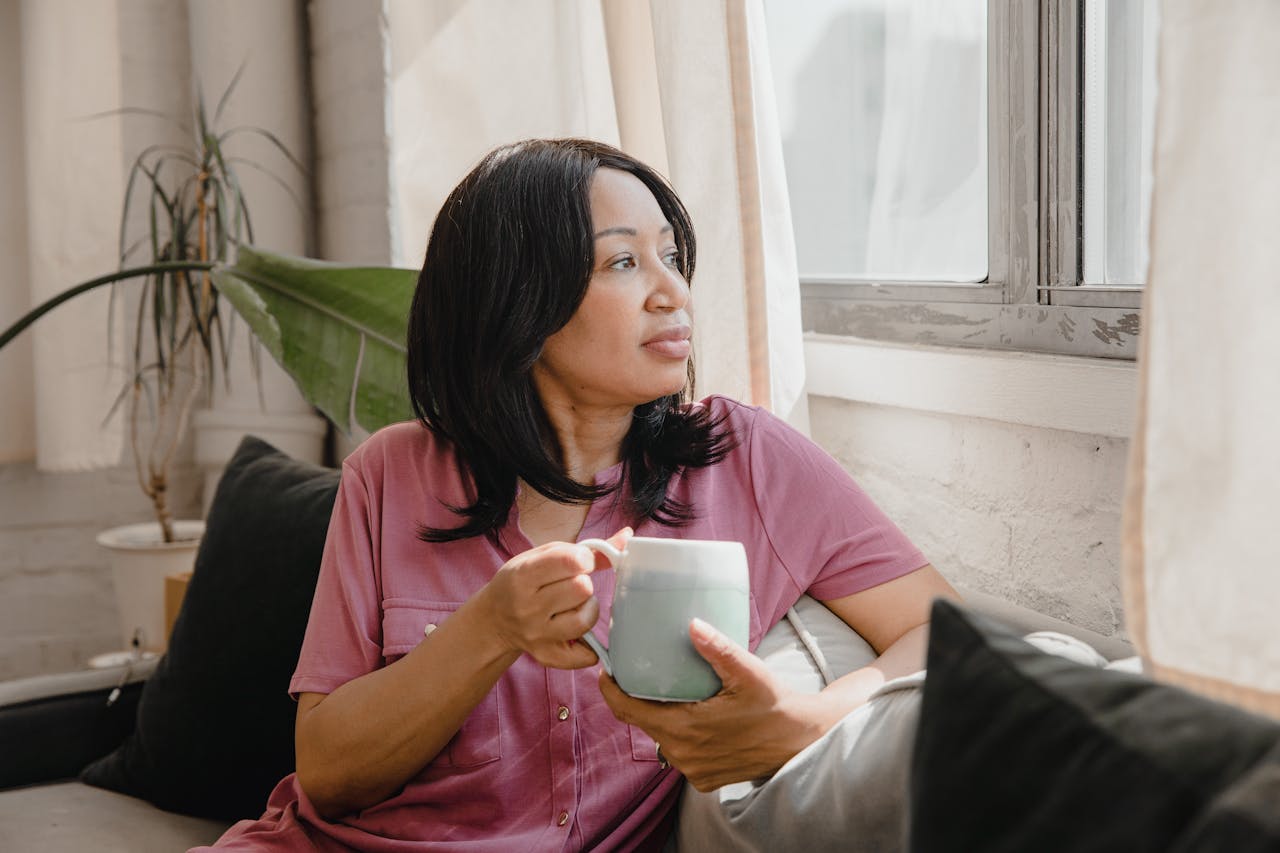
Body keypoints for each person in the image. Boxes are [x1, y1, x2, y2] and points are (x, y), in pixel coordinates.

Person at [197, 138, 958, 852]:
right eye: (624, 262)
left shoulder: (745, 457)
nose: (672, 292)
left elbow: (948, 633)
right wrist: (488, 629)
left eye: (670, 254)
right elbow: (327, 774)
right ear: (516, 300)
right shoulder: (389, 475)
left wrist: (806, 721)